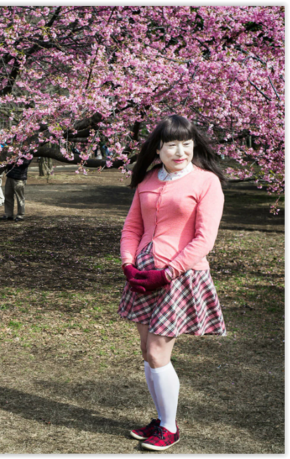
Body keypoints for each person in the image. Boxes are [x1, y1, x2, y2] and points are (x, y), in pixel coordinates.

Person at [119, 115, 227, 451]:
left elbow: (204, 239)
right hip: (141, 276)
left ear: (193, 145)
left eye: (186, 143)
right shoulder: (148, 180)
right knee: (147, 354)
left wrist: (166, 273)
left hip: (178, 277)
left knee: (157, 351)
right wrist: (128, 264)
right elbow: (131, 228)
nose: (180, 151)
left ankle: (169, 426)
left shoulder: (206, 182)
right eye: (172, 144)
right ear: (158, 148)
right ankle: (160, 417)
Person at [2, 154, 32, 222]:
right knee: (8, 195)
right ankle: (8, 214)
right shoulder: (13, 151)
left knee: (20, 197)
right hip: (10, 176)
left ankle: (20, 215)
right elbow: (8, 162)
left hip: (19, 178)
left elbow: (25, 163)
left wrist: (14, 160)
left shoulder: (29, 152)